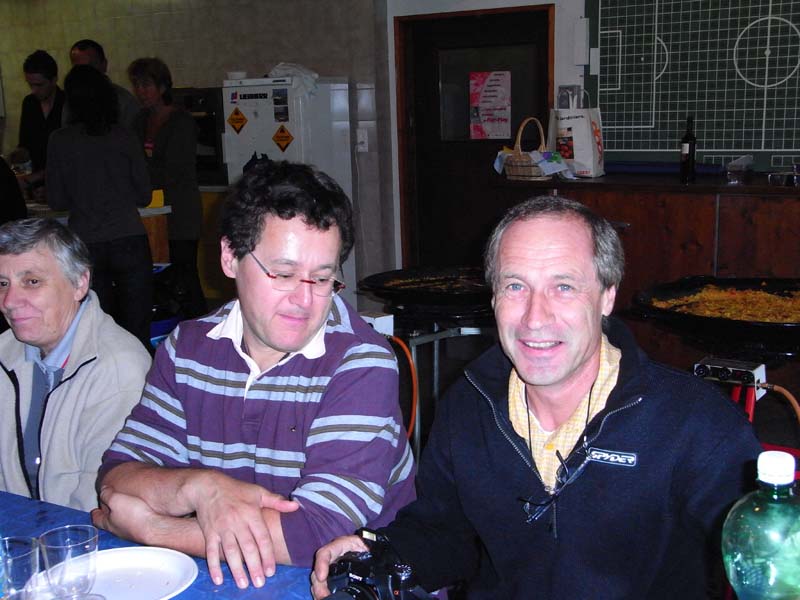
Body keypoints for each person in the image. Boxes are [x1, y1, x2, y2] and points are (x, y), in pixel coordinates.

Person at [311, 196, 763, 600]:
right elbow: (446, 534)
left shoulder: (696, 424)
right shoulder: (468, 405)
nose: (535, 317)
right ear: (493, 298)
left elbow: (763, 559)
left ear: (607, 296)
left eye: (563, 286)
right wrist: (382, 554)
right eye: (515, 286)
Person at [93, 160, 416, 590]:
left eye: (322, 279)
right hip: (229, 578)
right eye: (283, 274)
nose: (304, 301)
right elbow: (119, 476)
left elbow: (315, 530)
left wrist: (155, 529)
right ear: (230, 257)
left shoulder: (360, 361)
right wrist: (204, 489)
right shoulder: (187, 349)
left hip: (355, 585)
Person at [0, 218, 151, 511]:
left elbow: (97, 507)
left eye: (32, 282)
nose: (9, 300)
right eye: (3, 283)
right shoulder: (5, 352)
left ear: (80, 283)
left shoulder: (119, 370)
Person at [46, 64, 154, 351]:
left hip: (86, 242)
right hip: (129, 237)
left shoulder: (60, 141)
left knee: (97, 330)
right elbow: (144, 194)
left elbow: (56, 200)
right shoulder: (125, 136)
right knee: (138, 328)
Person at [127, 57, 207, 319]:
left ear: (162, 86)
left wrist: (139, 175)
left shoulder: (181, 121)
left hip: (180, 209)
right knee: (160, 278)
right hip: (151, 210)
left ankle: (200, 327)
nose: (141, 91)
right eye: (137, 85)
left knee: (184, 273)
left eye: (146, 85)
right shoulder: (139, 120)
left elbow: (175, 168)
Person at [18, 50, 65, 197]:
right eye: (30, 85)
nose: (34, 90)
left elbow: (70, 157)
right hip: (35, 186)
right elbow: (25, 145)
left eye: (39, 85)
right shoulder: (29, 103)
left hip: (64, 183)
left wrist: (33, 178)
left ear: (54, 80)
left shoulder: (68, 104)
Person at [67, 39, 140, 130]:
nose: (85, 74)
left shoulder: (125, 102)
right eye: (79, 69)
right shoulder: (69, 101)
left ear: (104, 64)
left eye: (91, 67)